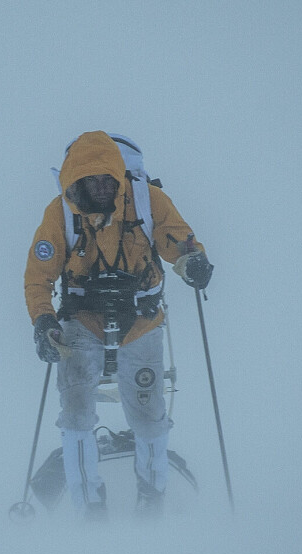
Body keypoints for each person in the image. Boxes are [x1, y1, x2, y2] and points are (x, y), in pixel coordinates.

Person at [24, 131, 213, 518]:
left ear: (120, 176)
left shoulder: (148, 201)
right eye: (92, 180)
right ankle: (88, 505)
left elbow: (179, 241)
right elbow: (39, 275)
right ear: (76, 179)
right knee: (75, 410)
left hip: (141, 322)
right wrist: (43, 320)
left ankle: (152, 497)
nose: (102, 186)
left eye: (108, 178)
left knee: (148, 412)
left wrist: (194, 262)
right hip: (80, 323)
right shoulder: (59, 214)